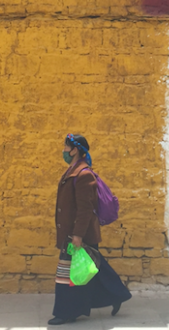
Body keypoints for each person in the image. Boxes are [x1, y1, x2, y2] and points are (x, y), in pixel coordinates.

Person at [49, 134, 131, 325]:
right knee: (93, 268)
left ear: (75, 150)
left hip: (78, 233)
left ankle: (66, 313)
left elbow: (85, 209)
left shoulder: (83, 175)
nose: (63, 150)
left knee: (69, 274)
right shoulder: (73, 171)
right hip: (74, 232)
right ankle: (117, 295)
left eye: (65, 147)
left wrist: (77, 235)